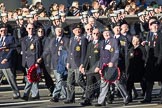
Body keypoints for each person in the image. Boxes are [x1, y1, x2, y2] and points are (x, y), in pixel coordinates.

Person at [95, 28, 129, 106]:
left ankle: (126, 96)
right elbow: (101, 56)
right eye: (104, 33)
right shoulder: (102, 42)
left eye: (108, 33)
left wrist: (112, 62)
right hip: (104, 66)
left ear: (110, 33)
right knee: (104, 84)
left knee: (117, 83)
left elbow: (116, 53)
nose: (106, 34)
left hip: (112, 66)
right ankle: (101, 101)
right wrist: (100, 67)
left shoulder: (114, 41)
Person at [41, 25, 69, 102]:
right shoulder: (52, 40)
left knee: (59, 80)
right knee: (59, 80)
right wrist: (41, 57)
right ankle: (64, 94)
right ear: (55, 31)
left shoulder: (66, 40)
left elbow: (68, 51)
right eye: (57, 30)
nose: (59, 32)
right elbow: (47, 50)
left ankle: (55, 95)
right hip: (54, 63)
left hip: (62, 63)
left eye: (60, 30)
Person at [64, 23, 88, 104]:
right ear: (73, 31)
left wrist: (82, 64)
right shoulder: (72, 39)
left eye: (79, 29)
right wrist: (68, 62)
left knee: (79, 80)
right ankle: (70, 98)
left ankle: (89, 91)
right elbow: (70, 51)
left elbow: (84, 53)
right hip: (71, 63)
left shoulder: (83, 39)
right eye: (76, 30)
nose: (78, 31)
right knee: (69, 81)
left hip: (78, 63)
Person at [80, 28, 101, 106]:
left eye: (97, 33)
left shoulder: (102, 43)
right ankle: (88, 100)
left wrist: (99, 66)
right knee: (89, 85)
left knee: (101, 85)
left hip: (98, 68)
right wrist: (83, 66)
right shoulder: (90, 44)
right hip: (90, 68)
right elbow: (87, 57)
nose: (95, 35)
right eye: (94, 33)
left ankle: (107, 98)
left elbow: (102, 57)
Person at [21, 23, 42, 101]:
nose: (31, 30)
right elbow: (23, 51)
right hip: (26, 61)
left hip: (33, 61)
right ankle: (35, 94)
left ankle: (27, 94)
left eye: (32, 29)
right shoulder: (24, 39)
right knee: (30, 78)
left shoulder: (36, 39)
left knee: (31, 78)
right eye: (29, 28)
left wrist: (37, 62)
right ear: (26, 29)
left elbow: (38, 51)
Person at [0, 24, 20, 99]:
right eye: (1, 31)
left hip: (6, 61)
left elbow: (12, 49)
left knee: (10, 78)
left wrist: (7, 58)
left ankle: (16, 92)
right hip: (0, 61)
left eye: (4, 30)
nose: (3, 32)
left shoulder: (10, 38)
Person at [126, 35, 146, 102]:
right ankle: (129, 97)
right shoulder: (131, 49)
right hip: (131, 70)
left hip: (139, 69)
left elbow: (144, 58)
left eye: (136, 40)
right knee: (129, 83)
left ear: (139, 41)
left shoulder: (142, 48)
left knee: (143, 82)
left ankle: (145, 94)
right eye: (133, 40)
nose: (134, 42)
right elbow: (128, 60)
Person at [36, 26, 55, 96]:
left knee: (47, 77)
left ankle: (52, 90)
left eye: (42, 31)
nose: (40, 33)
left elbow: (46, 50)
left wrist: (41, 58)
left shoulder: (47, 39)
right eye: (39, 31)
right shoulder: (36, 39)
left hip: (45, 60)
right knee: (36, 76)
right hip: (37, 60)